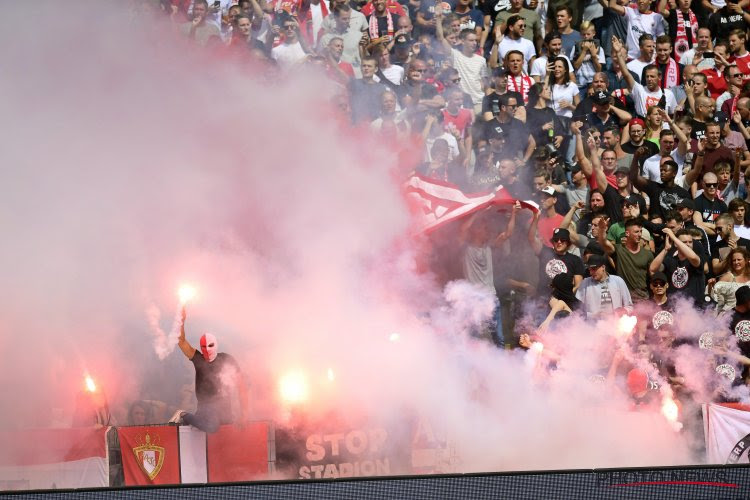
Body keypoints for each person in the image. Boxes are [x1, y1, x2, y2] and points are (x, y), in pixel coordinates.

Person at [170, 308, 250, 433]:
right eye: (203, 347)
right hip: (206, 408)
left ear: (216, 344)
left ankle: (193, 420)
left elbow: (241, 387)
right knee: (211, 427)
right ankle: (183, 415)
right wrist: (181, 320)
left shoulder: (227, 359)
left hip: (224, 408)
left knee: (229, 432)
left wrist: (244, 414)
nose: (207, 349)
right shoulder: (198, 358)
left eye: (210, 345)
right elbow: (181, 342)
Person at [649, 228, 705, 306]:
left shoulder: (698, 258)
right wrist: (666, 249)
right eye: (684, 242)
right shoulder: (670, 260)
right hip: (674, 308)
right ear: (676, 244)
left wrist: (674, 237)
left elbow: (693, 258)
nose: (688, 244)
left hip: (695, 309)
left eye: (690, 242)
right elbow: (653, 269)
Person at [575, 254, 633, 318]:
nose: (591, 273)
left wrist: (622, 311)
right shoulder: (585, 283)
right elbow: (578, 312)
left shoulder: (618, 281)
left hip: (616, 324)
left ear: (603, 267)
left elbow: (629, 307)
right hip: (592, 326)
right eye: (589, 269)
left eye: (594, 269)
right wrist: (594, 315)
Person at [712, 248, 750, 313]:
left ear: (746, 260)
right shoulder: (727, 277)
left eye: (739, 260)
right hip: (731, 316)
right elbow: (717, 300)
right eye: (734, 260)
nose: (736, 262)